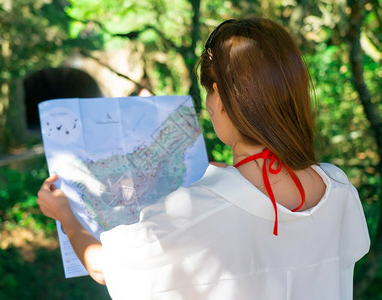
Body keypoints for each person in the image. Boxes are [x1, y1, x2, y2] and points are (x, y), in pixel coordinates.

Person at [37, 17, 370, 299]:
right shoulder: (340, 189)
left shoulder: (196, 211)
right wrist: (229, 182)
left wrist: (65, 215)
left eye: (209, 92)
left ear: (221, 99)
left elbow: (103, 266)